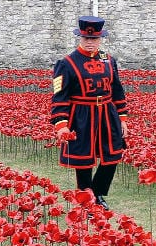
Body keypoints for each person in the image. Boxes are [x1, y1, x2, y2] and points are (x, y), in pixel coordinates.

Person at [51, 15, 128, 209]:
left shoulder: (109, 61)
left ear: (100, 38)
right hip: (81, 116)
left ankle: (98, 192)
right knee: (83, 159)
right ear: (80, 37)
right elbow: (60, 97)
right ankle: (87, 200)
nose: (91, 42)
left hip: (107, 114)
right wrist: (61, 125)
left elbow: (117, 90)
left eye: (94, 39)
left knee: (113, 155)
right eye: (87, 38)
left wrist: (122, 118)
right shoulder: (67, 63)